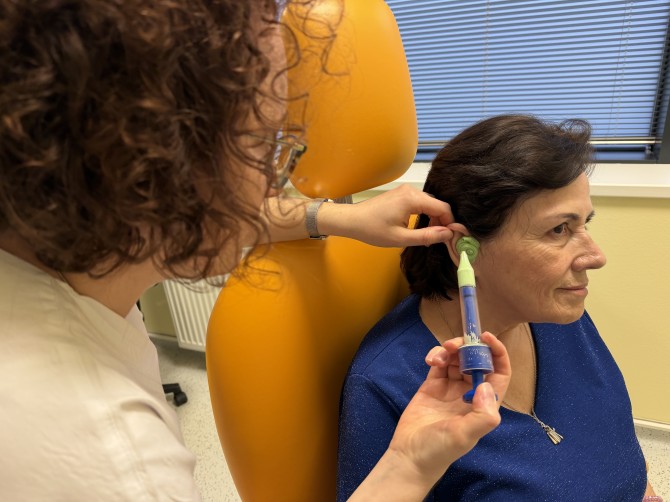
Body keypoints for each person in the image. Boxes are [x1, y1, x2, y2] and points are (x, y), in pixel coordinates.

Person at [0, 1, 510, 500]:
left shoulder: (38, 241)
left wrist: (336, 218)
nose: (270, 183)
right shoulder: (115, 466)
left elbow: (229, 208)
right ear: (152, 160)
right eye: (266, 146)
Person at [337, 114, 661, 501]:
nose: (596, 257)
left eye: (584, 223)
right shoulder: (385, 385)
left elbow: (614, 445)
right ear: (463, 249)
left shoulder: (555, 311)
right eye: (559, 229)